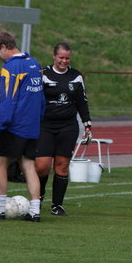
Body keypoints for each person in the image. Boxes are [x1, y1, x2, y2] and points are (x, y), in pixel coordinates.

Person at [0, 32, 45, 222]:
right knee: (28, 166)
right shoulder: (34, 64)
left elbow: (7, 100)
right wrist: (38, 120)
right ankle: (35, 211)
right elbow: (41, 99)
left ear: (4, 47)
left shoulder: (10, 68)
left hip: (14, 125)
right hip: (32, 125)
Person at [35, 43, 92, 216]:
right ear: (54, 56)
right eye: (61, 57)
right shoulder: (43, 74)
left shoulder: (76, 76)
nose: (64, 61)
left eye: (67, 58)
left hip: (68, 126)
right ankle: (38, 198)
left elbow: (82, 101)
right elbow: (34, 100)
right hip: (45, 125)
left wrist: (87, 123)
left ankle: (57, 205)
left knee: (62, 166)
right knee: (42, 166)